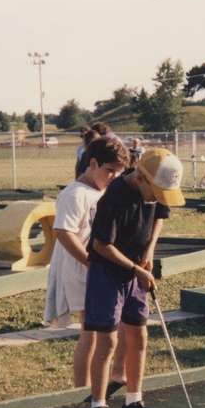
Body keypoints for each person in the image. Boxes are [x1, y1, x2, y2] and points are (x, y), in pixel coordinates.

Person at [84, 148, 186, 408]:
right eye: (153, 191)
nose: (156, 197)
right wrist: (133, 268)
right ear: (139, 176)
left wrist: (150, 251)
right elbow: (102, 246)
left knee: (139, 339)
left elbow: (159, 218)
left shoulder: (154, 194)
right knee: (109, 342)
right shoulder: (114, 196)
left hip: (136, 270)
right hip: (108, 273)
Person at [44, 137, 129, 390]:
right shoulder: (74, 193)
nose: (113, 176)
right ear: (93, 163)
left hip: (101, 269)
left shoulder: (103, 190)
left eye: (118, 172)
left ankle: (110, 376)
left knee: (110, 328)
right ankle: (82, 388)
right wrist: (90, 262)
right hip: (82, 268)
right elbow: (64, 232)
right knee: (90, 333)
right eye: (109, 170)